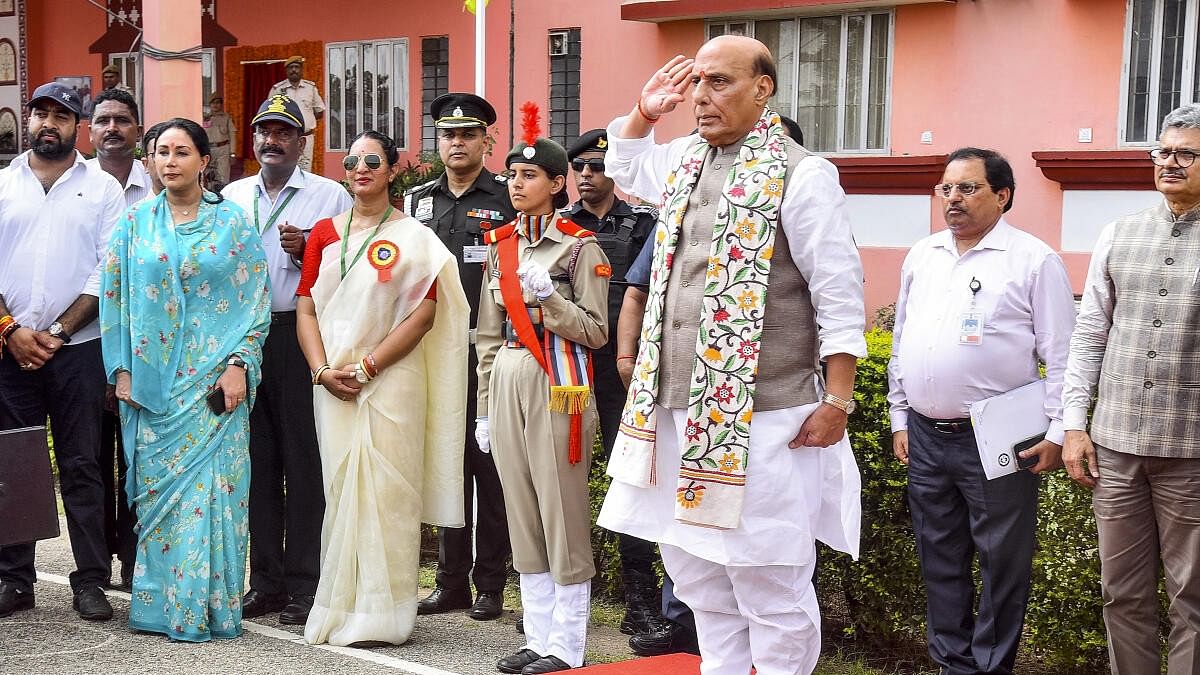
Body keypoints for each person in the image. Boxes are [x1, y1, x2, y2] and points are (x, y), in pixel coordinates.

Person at [597, 37, 866, 675]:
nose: (701, 97)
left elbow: (839, 296)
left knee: (769, 576)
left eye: (719, 82)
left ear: (763, 88)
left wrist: (838, 399)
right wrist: (644, 109)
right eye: (697, 85)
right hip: (676, 411)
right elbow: (627, 165)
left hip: (770, 416)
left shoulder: (803, 174)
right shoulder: (687, 160)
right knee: (697, 577)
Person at [888, 148, 1076, 675]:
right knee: (939, 559)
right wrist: (900, 417)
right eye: (946, 188)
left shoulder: (1034, 260)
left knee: (1001, 562)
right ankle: (953, 666)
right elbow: (903, 339)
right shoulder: (923, 255)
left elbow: (1062, 357)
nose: (952, 198)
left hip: (995, 438)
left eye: (967, 188)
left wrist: (1059, 432)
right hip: (925, 437)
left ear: (1002, 195)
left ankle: (991, 668)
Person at [99, 117, 271, 642]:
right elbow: (114, 301)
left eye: (180, 151)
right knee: (160, 496)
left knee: (217, 491)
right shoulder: (134, 224)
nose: (168, 160)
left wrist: (240, 364)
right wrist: (121, 370)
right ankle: (161, 607)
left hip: (216, 383)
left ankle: (213, 609)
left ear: (203, 160)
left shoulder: (233, 223)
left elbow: (257, 303)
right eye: (160, 152)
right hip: (154, 386)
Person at [296, 130, 468, 647]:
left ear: (394, 170)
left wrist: (368, 368)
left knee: (391, 493)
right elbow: (306, 306)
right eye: (352, 160)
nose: (361, 167)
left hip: (392, 382)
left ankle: (384, 614)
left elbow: (425, 313)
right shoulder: (325, 233)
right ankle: (340, 604)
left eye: (373, 160)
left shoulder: (415, 237)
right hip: (331, 386)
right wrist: (323, 371)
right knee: (341, 488)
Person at [1062, 102, 1200, 674]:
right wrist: (1074, 424)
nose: (1170, 162)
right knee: (1123, 594)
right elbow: (1090, 333)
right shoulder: (1119, 233)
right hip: (1115, 445)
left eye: (1186, 153)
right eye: (1163, 151)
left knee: (1192, 601)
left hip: (1191, 452)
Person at [478, 108, 610, 674]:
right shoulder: (499, 244)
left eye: (529, 176)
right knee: (521, 507)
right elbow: (486, 334)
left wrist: (550, 303)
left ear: (558, 186)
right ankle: (537, 635)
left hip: (563, 384)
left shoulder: (582, 248)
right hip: (509, 374)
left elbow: (598, 332)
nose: (516, 183)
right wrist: (485, 406)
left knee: (562, 506)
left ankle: (568, 645)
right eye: (511, 175)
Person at [223, 94, 352, 626]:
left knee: (304, 463)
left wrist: (310, 254)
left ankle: (306, 583)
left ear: (303, 142)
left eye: (283, 132)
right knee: (255, 461)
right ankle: (266, 582)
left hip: (301, 336)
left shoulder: (330, 196)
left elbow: (351, 269)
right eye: (264, 131)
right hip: (242, 342)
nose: (271, 141)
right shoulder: (230, 196)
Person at [0, 82, 125, 622]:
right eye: (41, 113)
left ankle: (91, 580)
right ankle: (14, 579)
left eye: (62, 116)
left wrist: (54, 331)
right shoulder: (2, 184)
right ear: (28, 120)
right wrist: (10, 330)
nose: (49, 123)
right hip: (8, 351)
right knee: (16, 465)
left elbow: (109, 271)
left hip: (78, 351)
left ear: (80, 126)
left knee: (82, 466)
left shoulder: (102, 190)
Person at [405, 92, 517, 622]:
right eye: (448, 134)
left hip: (487, 352)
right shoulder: (417, 202)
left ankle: (490, 583)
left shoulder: (506, 199)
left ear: (484, 140)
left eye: (468, 134)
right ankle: (449, 582)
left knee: (489, 470)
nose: (457, 143)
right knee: (447, 466)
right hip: (433, 351)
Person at [562, 128, 661, 635]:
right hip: (569, 367)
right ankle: (564, 595)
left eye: (596, 167)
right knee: (564, 476)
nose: (586, 176)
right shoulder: (557, 226)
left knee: (631, 478)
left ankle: (640, 598)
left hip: (623, 367)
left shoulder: (643, 224)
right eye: (579, 167)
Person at [85, 87, 150, 592]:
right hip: (86, 341)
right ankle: (96, 561)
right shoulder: (76, 186)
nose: (112, 128)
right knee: (90, 454)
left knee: (138, 455)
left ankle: (135, 559)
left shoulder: (160, 187)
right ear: (91, 130)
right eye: (103, 120)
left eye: (122, 120)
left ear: (137, 129)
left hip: (149, 346)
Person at [270, 56, 325, 171]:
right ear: (286, 71)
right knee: (285, 167)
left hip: (305, 136)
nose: (294, 70)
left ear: (301, 70)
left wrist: (305, 122)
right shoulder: (278, 89)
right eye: (291, 67)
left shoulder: (310, 88)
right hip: (284, 137)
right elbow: (271, 114)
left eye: (297, 67)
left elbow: (319, 111)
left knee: (305, 169)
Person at [205, 93, 237, 185]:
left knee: (223, 177)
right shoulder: (205, 118)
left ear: (221, 104)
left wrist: (232, 153)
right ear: (210, 105)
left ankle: (222, 195)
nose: (215, 105)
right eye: (213, 103)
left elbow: (232, 134)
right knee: (209, 176)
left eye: (218, 103)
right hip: (209, 150)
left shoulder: (226, 117)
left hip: (223, 149)